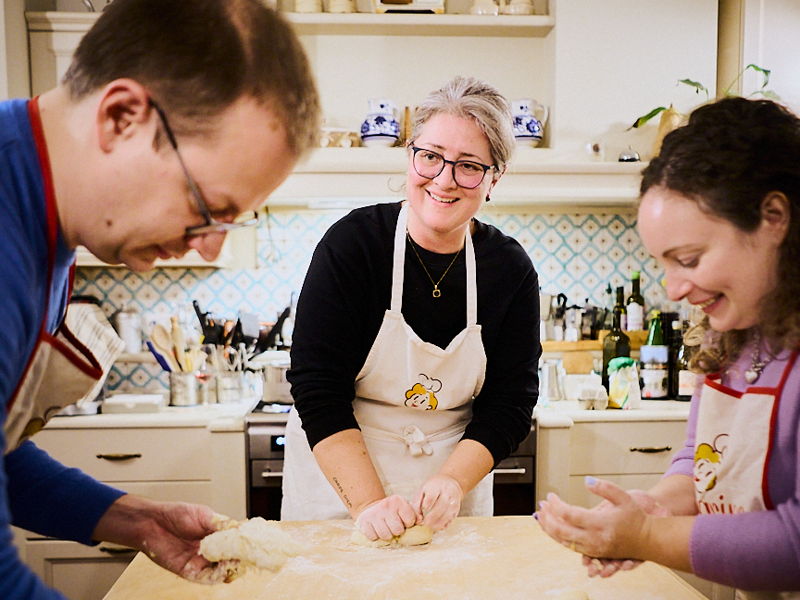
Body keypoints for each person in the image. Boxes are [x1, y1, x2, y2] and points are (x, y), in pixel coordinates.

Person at [0, 0, 319, 597]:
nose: (207, 248)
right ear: (122, 117)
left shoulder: (49, 227)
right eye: (208, 209)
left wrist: (138, 522)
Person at [536, 97, 800, 595]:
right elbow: (699, 459)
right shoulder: (731, 338)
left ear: (773, 216)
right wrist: (654, 506)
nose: (674, 288)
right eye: (663, 263)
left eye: (690, 258)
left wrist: (648, 535)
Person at [282, 76, 540, 542]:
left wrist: (453, 481)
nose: (444, 179)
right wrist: (367, 504)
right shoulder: (353, 246)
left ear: (494, 178)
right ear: (410, 155)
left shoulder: (510, 269)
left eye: (469, 166)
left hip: (449, 487)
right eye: (431, 156)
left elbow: (511, 403)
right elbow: (317, 389)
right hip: (341, 485)